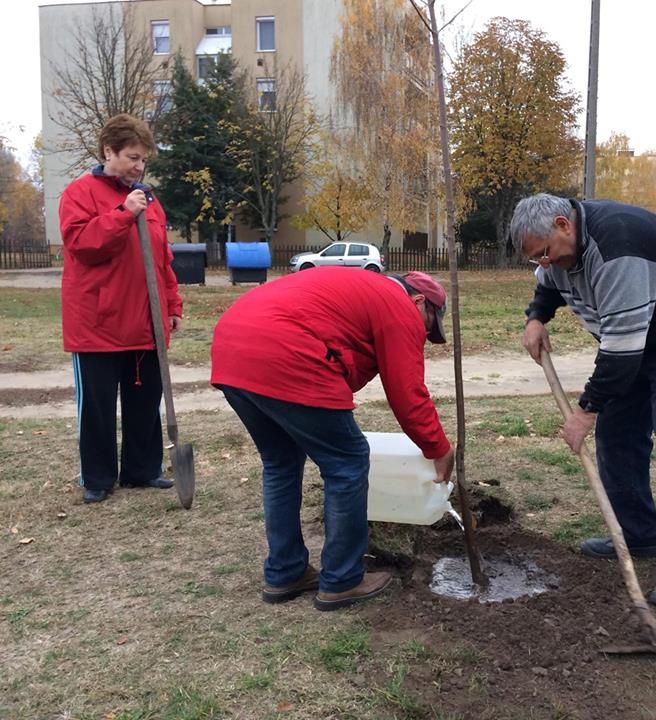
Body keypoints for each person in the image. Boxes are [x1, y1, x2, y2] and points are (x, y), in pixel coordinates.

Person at [512, 193, 656, 609]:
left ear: (562, 224)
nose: (545, 264)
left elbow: (621, 354)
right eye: (536, 259)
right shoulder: (559, 254)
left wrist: (583, 411)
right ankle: (640, 534)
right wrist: (536, 316)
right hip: (631, 342)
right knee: (617, 438)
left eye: (546, 253)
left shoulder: (619, 245)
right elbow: (548, 286)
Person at [210, 267, 455, 611]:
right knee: (348, 462)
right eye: (428, 325)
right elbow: (407, 393)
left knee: (281, 463)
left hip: (232, 348)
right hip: (286, 351)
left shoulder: (360, 289)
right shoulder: (399, 306)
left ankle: (286, 572)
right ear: (418, 302)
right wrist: (438, 448)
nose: (424, 335)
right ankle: (343, 579)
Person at [59, 113, 182, 505]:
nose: (139, 166)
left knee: (145, 401)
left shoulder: (150, 199)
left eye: (143, 159)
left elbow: (162, 259)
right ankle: (97, 478)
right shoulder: (80, 193)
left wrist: (173, 305)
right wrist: (122, 215)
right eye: (132, 157)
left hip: (145, 320)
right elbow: (82, 244)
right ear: (108, 151)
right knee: (97, 407)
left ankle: (142, 470)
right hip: (98, 322)